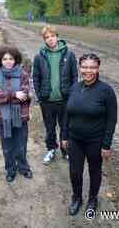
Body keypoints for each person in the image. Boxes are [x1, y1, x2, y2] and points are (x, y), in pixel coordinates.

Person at [62, 53, 117, 215]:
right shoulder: (74, 88)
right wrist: (64, 136)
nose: (88, 70)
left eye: (92, 67)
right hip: (75, 140)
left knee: (95, 171)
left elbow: (111, 120)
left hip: (95, 141)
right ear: (80, 68)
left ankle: (93, 199)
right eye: (85, 67)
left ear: (98, 69)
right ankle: (77, 198)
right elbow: (67, 114)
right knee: (75, 171)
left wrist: (106, 145)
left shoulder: (106, 91)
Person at [32, 25, 78, 164]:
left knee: (66, 127)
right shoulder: (39, 57)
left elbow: (74, 77)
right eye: (47, 37)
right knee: (50, 128)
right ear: (44, 40)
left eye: (52, 36)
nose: (50, 39)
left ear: (57, 36)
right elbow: (35, 77)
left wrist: (73, 96)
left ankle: (66, 150)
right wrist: (39, 96)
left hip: (64, 99)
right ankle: (51, 149)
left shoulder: (69, 55)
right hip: (47, 101)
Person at [0, 45, 33, 182]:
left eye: (11, 58)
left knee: (21, 144)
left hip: (20, 116)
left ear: (16, 60)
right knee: (7, 147)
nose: (8, 61)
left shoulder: (23, 75)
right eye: (5, 59)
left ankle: (23, 167)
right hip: (2, 118)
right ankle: (10, 170)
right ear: (0, 60)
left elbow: (25, 95)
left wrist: (5, 95)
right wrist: (13, 94)